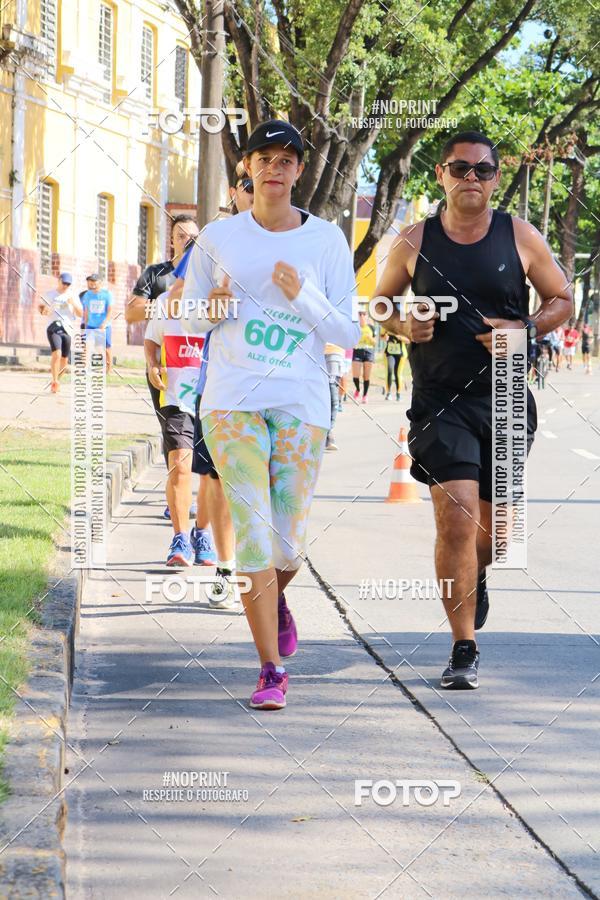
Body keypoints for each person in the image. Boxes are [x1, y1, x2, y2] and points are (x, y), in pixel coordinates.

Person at [373, 130, 573, 690]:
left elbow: (561, 299)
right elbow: (380, 302)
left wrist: (526, 327)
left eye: (482, 170)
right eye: (460, 169)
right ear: (440, 174)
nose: (471, 179)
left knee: (495, 536)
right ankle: (464, 646)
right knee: (456, 517)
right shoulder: (415, 240)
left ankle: (476, 573)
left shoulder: (520, 236)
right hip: (439, 399)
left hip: (507, 393)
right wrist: (399, 323)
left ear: (495, 177)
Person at [179, 119, 359, 709]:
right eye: (265, 158)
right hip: (232, 403)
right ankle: (270, 669)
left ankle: (274, 599)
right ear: (248, 167)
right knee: (255, 534)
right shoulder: (217, 237)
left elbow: (347, 329)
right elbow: (188, 318)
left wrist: (302, 294)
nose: (275, 168)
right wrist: (216, 306)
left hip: (301, 405)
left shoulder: (327, 240)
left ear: (300, 170)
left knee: (288, 547)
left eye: (287, 159)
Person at [126, 214, 202, 526]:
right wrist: (166, 305)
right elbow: (130, 313)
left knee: (203, 438)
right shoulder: (156, 275)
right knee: (174, 437)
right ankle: (179, 498)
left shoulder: (207, 276)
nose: (188, 240)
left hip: (200, 368)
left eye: (194, 236)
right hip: (164, 366)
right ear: (171, 240)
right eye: (182, 235)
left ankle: (188, 494)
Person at [144, 293, 206, 567]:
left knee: (211, 475)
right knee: (179, 465)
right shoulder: (165, 302)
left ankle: (201, 533)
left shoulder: (226, 300)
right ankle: (180, 538)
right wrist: (152, 362)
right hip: (175, 397)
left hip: (214, 398)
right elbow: (152, 340)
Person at [38, 272, 82, 393]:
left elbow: (80, 314)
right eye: (64, 283)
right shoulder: (50, 294)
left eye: (68, 284)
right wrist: (46, 309)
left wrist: (72, 303)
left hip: (67, 328)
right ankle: (54, 380)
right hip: (53, 327)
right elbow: (42, 310)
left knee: (64, 358)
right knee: (57, 354)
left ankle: (58, 380)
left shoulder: (73, 295)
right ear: (59, 281)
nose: (66, 286)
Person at [80, 274, 113, 372]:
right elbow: (86, 311)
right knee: (86, 346)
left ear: (100, 282)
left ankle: (108, 369)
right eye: (90, 281)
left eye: (94, 281)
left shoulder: (107, 294)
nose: (92, 283)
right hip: (90, 325)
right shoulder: (87, 295)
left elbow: (110, 310)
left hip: (104, 326)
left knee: (106, 348)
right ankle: (85, 369)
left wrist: (105, 323)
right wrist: (85, 326)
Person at [352, 310, 376, 403]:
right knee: (355, 376)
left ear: (367, 316)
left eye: (364, 314)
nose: (362, 316)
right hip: (357, 351)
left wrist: (370, 339)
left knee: (366, 376)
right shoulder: (355, 327)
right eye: (360, 314)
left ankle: (365, 395)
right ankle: (357, 389)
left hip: (368, 352)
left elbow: (375, 343)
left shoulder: (371, 327)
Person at [324, 343, 345, 450]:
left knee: (332, 399)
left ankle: (328, 432)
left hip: (335, 353)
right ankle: (326, 433)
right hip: (319, 352)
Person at [383, 330, 407, 400]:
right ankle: (388, 393)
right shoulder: (386, 326)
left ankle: (398, 393)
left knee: (398, 374)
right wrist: (385, 337)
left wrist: (399, 337)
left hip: (400, 354)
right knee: (389, 371)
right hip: (389, 353)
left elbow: (408, 340)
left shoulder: (402, 325)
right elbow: (381, 337)